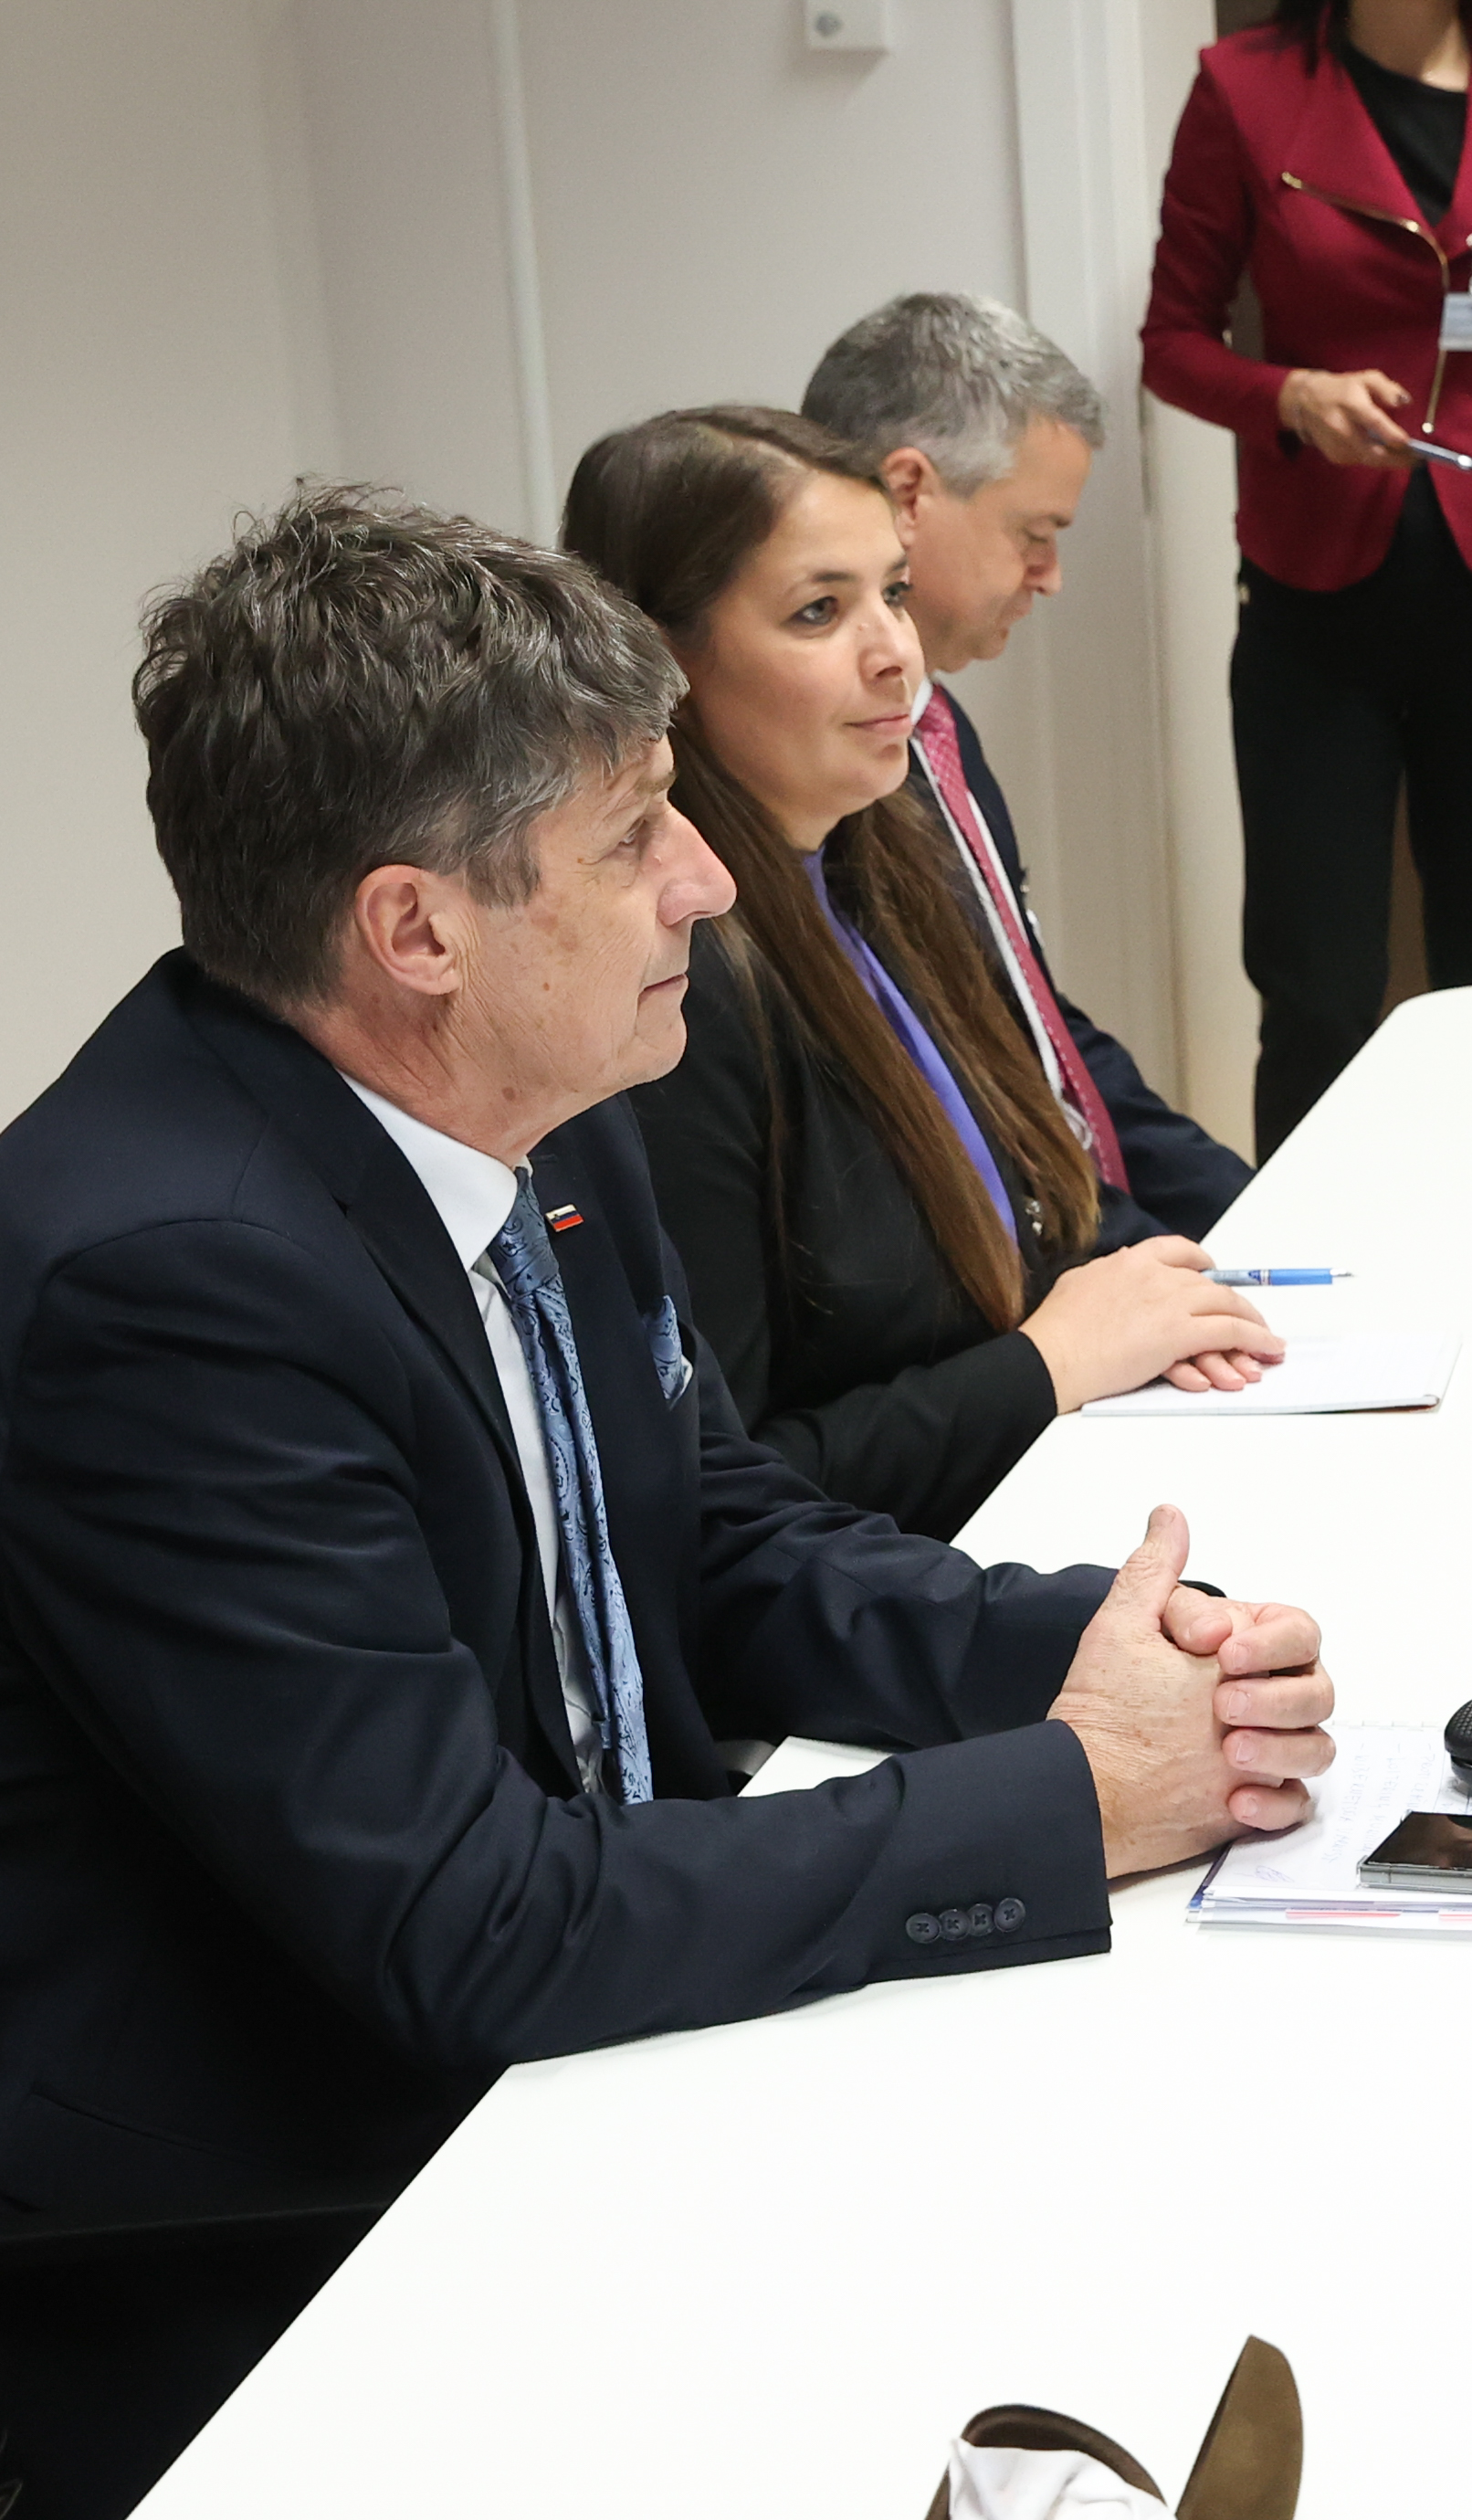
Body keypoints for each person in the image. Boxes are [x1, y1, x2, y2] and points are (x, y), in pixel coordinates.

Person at [0, 489, 1338, 2517]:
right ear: (417, 930)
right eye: (636, 832)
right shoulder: (171, 1286)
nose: (709, 878)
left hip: (557, 2014)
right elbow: (466, 1919)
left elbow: (709, 1535)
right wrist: (1070, 1796)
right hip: (293, 2220)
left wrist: (1092, 1644)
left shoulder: (527, 1089)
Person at [569, 409, 1285, 1542]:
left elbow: (1037, 1203)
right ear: (662, 662)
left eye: (893, 592)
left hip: (1061, 1473)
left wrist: (1177, 1291)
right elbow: (732, 1492)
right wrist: (1047, 1363)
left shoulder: (890, 851)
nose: (895, 654)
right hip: (912, 1570)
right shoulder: (671, 994)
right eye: (819, 610)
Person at [1142, 0, 1472, 1159]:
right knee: (1316, 992)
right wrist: (1289, 396)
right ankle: (1303, 1264)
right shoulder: (1243, 87)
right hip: (1313, 610)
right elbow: (1173, 342)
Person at [801, 290, 1260, 1242]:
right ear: (909, 493)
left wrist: (1256, 1205)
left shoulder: (941, 729)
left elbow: (1038, 1032)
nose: (1050, 576)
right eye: (1035, 534)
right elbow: (950, 1105)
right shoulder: (822, 786)